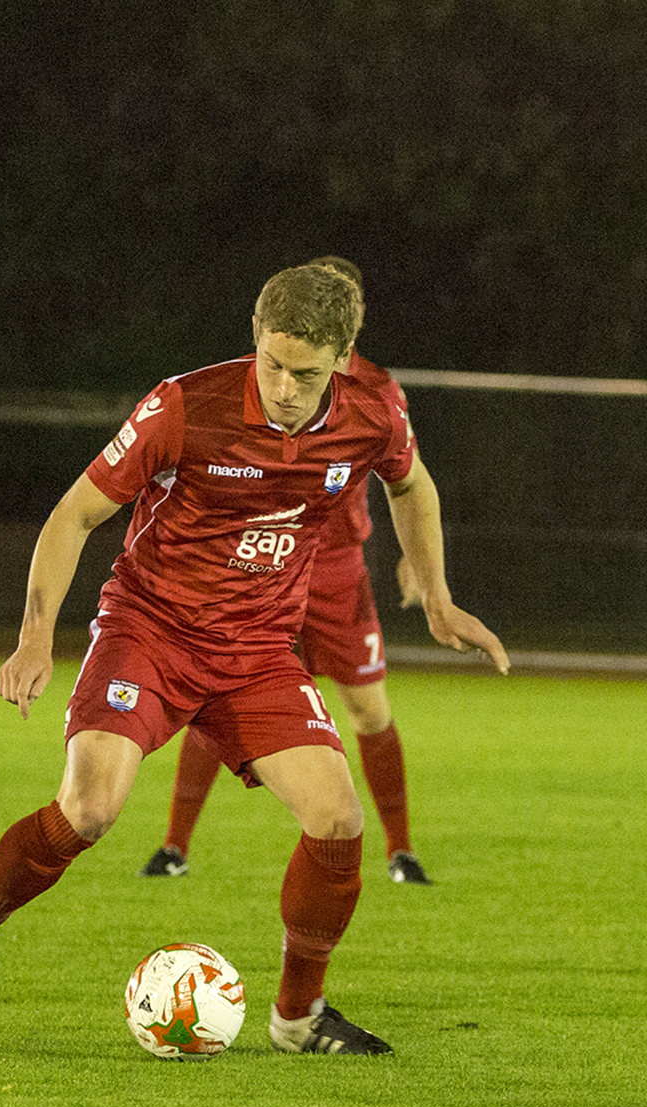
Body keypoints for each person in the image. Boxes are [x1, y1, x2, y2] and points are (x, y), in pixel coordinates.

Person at [0, 264, 508, 1055]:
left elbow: (412, 487)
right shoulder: (186, 404)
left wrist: (435, 595)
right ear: (255, 340)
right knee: (89, 810)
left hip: (257, 650)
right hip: (148, 633)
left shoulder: (373, 414)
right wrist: (33, 636)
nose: (286, 387)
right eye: (273, 364)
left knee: (337, 821)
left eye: (307, 373)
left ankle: (298, 1019)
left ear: (345, 357)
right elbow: (74, 513)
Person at [141, 257, 432, 886]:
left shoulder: (376, 395)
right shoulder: (266, 381)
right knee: (221, 692)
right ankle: (172, 847)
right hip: (254, 568)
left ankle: (401, 851)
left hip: (332, 572)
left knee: (370, 710)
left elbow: (407, 481)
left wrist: (423, 566)